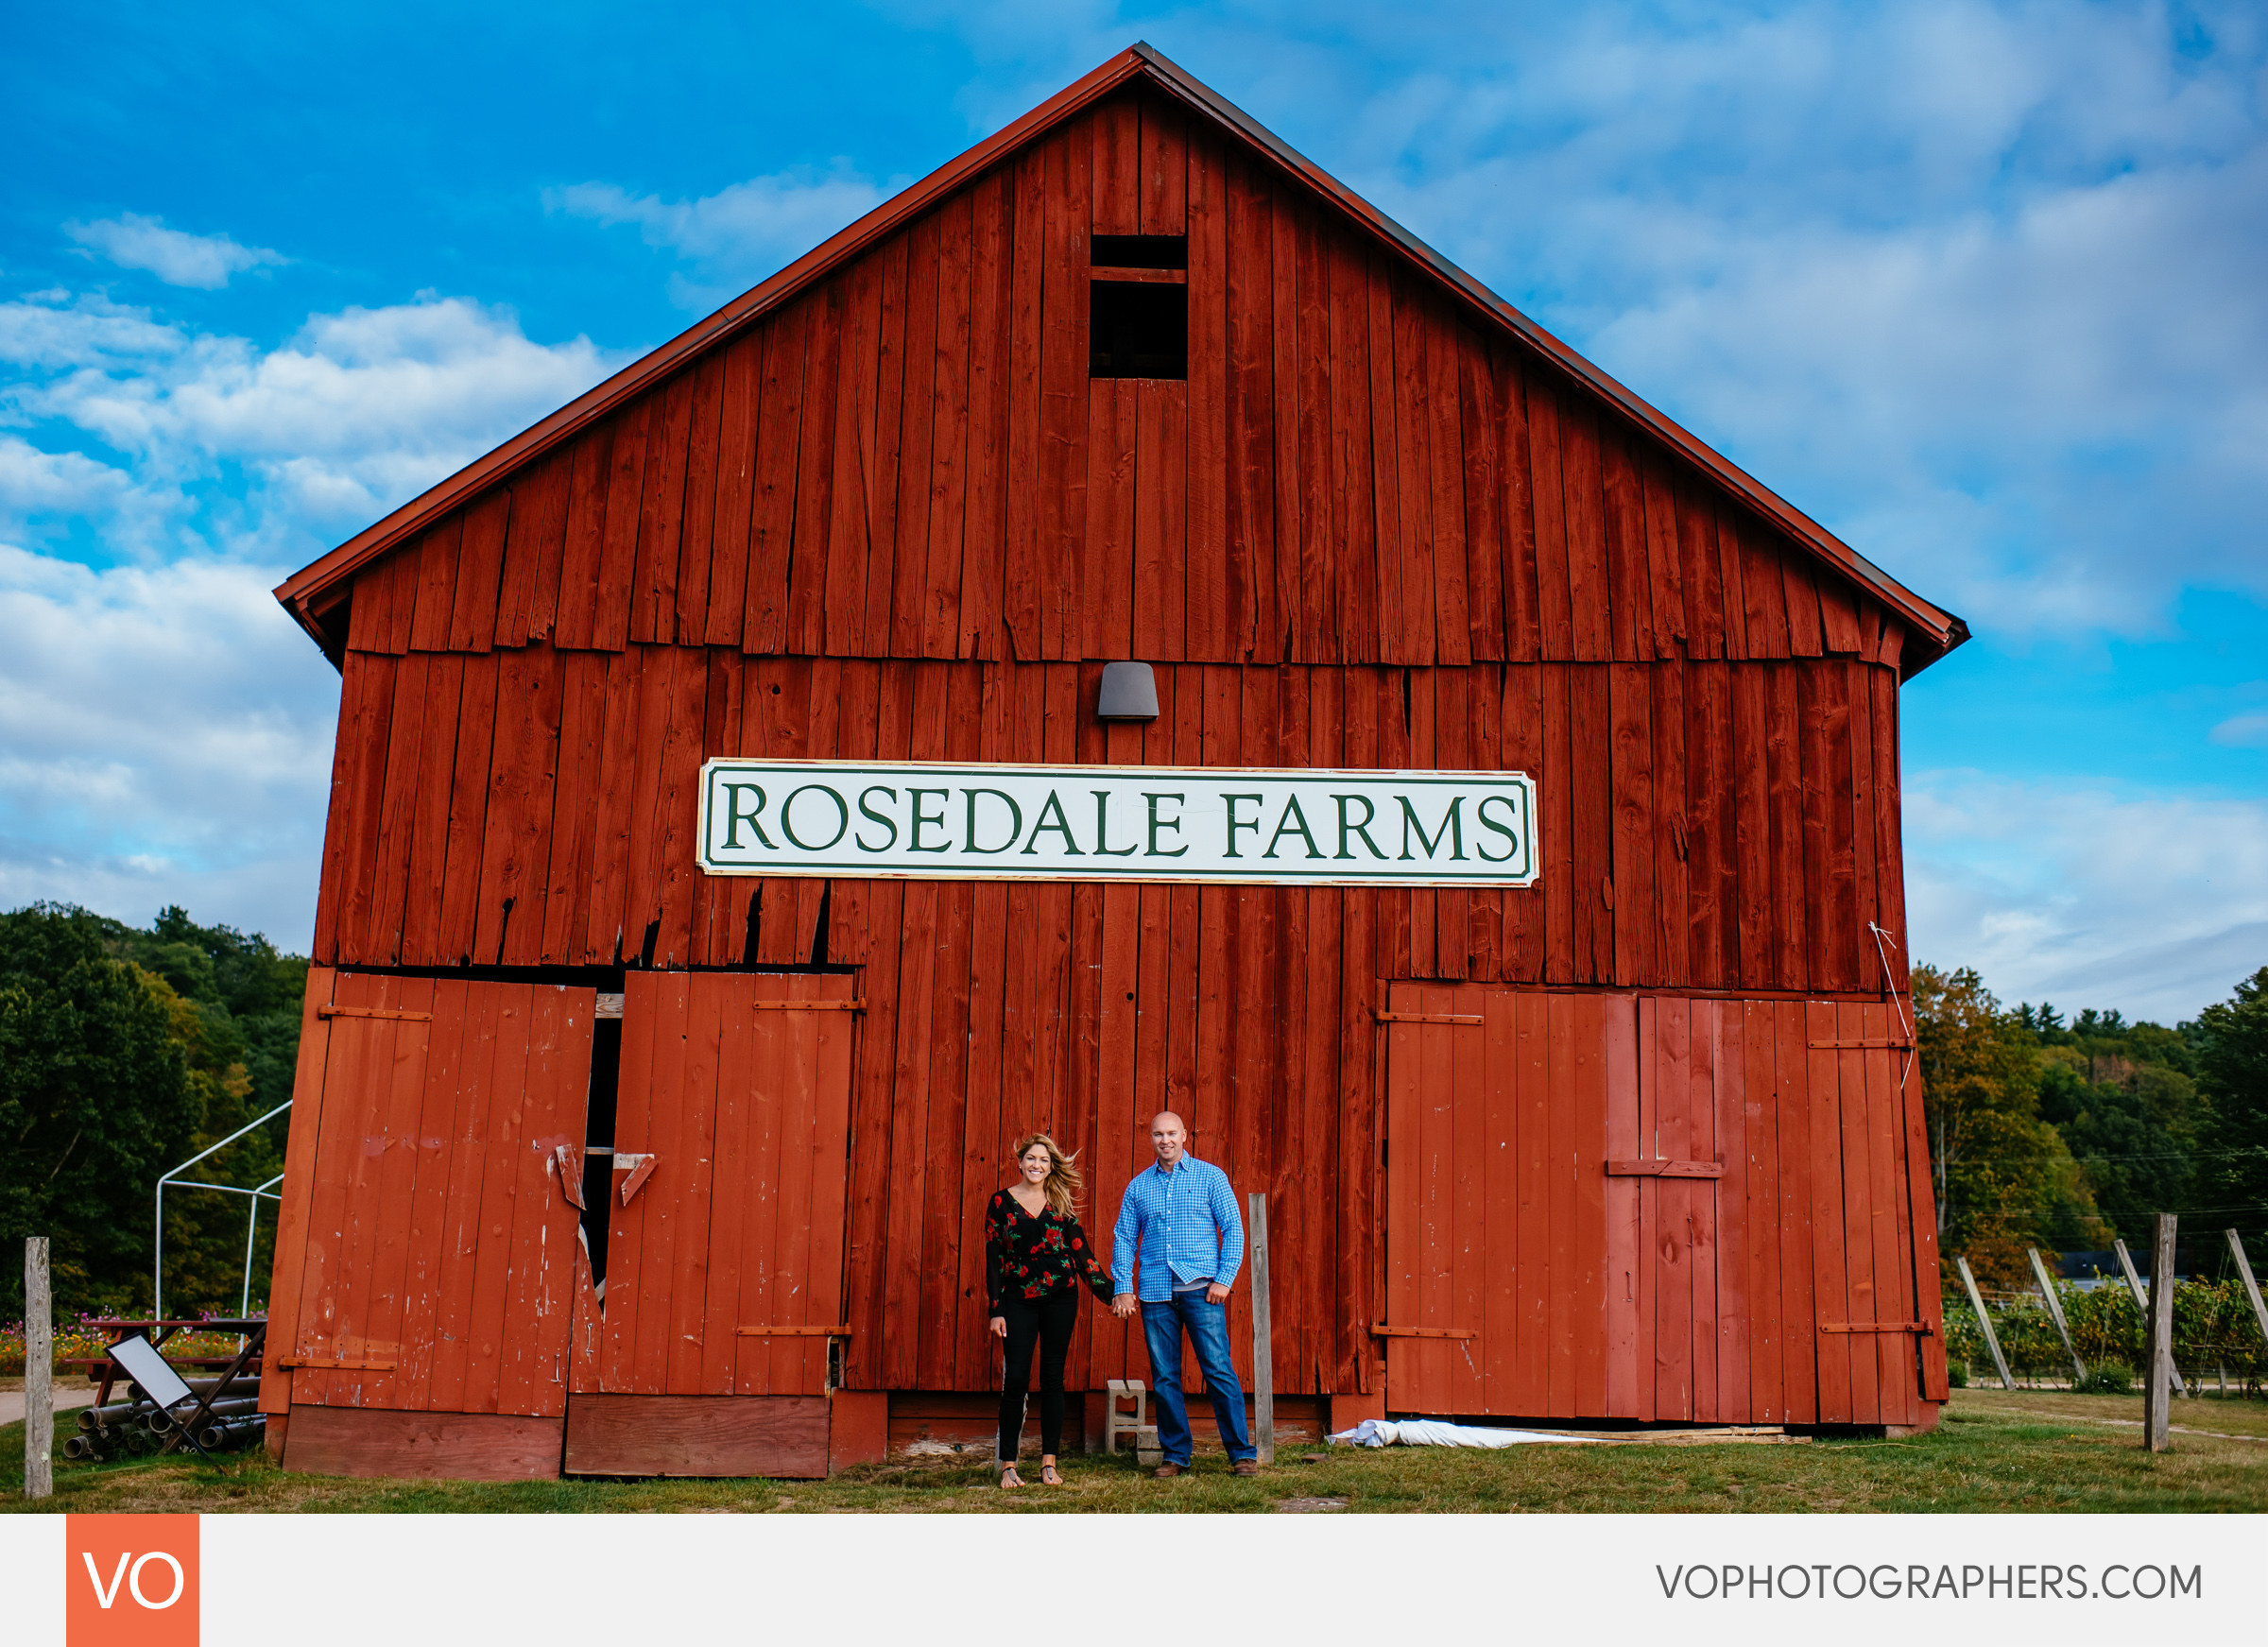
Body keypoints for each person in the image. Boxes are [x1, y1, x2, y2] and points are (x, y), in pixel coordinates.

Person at [1109, 1110, 1260, 1478]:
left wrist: (1224, 1279)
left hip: (1202, 1292)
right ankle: (1175, 1455)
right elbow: (1125, 1239)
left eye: (1172, 1133)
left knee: (1219, 1370)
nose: (1166, 1140)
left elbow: (1233, 1230)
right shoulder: (1138, 1187)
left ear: (1184, 1135)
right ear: (1151, 1139)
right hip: (1157, 1295)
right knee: (1164, 1376)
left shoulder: (1211, 1177)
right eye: (1158, 1134)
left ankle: (1242, 1454)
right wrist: (1124, 1287)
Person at [986, 1131, 1114, 1487]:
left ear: (1051, 1165)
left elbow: (1082, 1255)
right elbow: (994, 1260)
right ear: (1020, 1162)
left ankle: (1048, 1464)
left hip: (1061, 1297)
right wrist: (996, 1310)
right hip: (1017, 1301)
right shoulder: (1001, 1203)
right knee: (1016, 1380)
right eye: (1031, 1159)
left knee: (1053, 1380)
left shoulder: (1061, 1203)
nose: (1036, 1165)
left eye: (1043, 1160)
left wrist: (1112, 1295)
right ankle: (1008, 1465)